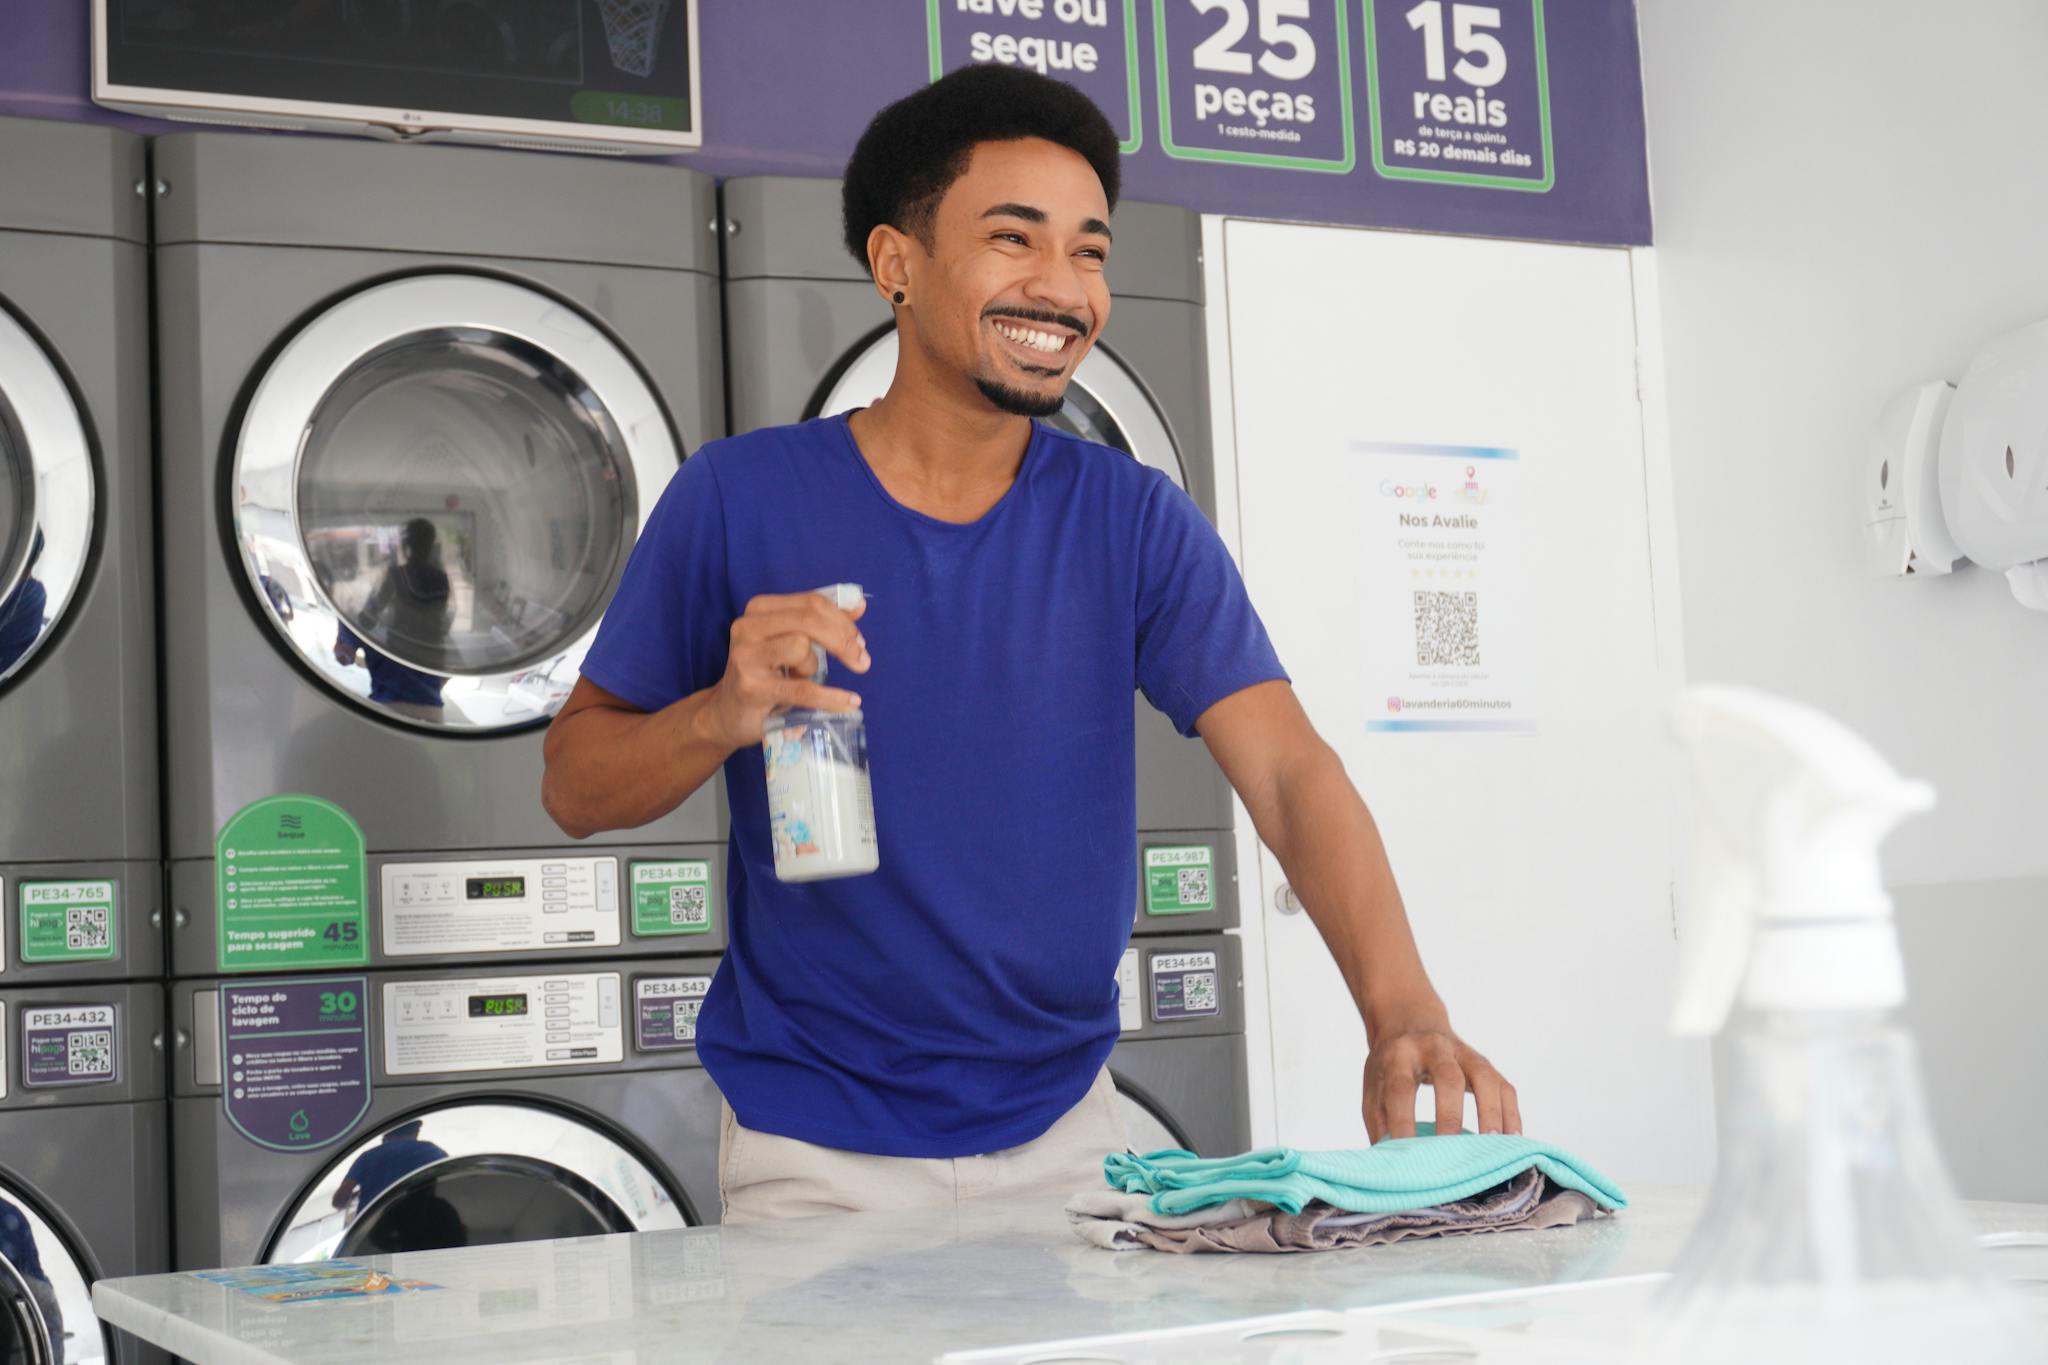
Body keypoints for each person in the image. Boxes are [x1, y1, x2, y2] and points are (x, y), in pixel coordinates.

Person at [542, 65, 1518, 1223]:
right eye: (1015, 240)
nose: (1061, 289)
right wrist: (718, 712)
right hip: (812, 1148)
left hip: (1067, 1133)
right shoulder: (737, 499)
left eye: (1090, 251)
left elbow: (1290, 773)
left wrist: (1401, 1011)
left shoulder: (1132, 518)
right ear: (895, 263)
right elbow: (574, 788)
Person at [332, 516, 450, 720]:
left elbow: (368, 618)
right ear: (432, 544)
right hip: (432, 708)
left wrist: (347, 622)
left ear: (406, 544)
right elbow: (440, 624)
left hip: (390, 702)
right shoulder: (441, 579)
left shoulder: (396, 575)